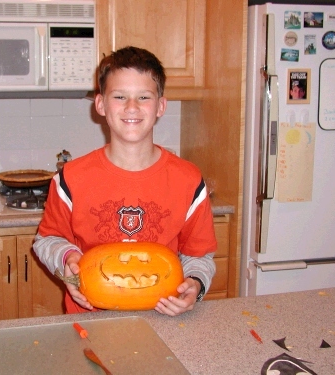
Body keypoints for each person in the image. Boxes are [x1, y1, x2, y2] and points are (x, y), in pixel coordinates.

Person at [33, 46, 217, 317]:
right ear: (100, 104)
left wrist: (196, 285)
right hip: (90, 322)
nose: (132, 107)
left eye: (144, 97)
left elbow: (199, 256)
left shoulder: (188, 180)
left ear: (160, 106)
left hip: (162, 318)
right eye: (120, 96)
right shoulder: (70, 178)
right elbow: (48, 240)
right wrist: (69, 267)